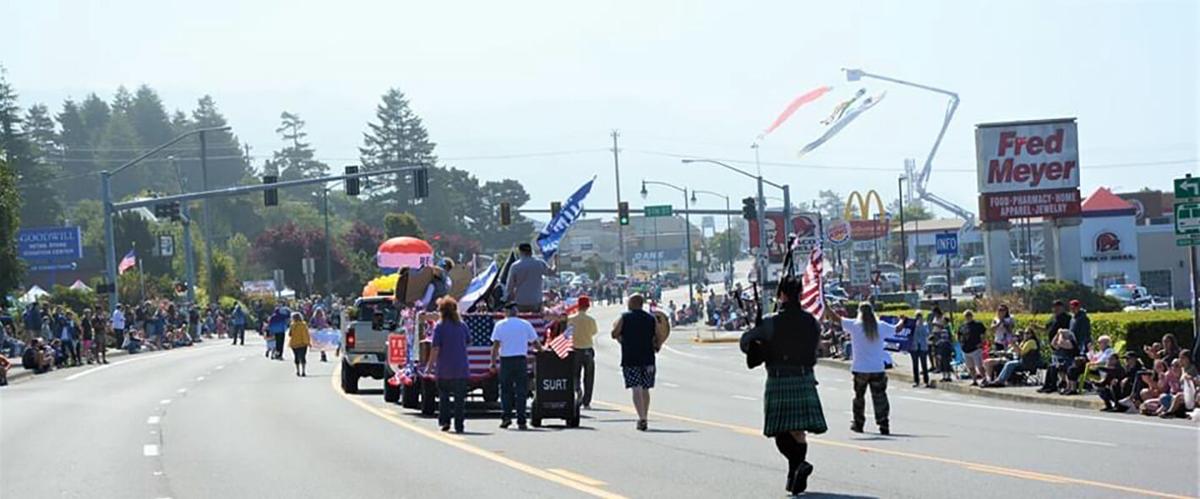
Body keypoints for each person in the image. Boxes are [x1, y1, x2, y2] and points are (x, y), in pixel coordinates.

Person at [740, 276, 826, 496]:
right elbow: (816, 346)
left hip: (779, 378)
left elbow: (745, 342)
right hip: (804, 376)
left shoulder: (770, 322)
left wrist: (759, 341)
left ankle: (798, 466)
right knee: (798, 432)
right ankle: (794, 476)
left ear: (783, 295)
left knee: (780, 431)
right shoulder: (811, 321)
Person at [612, 293, 660, 431]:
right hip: (648, 358)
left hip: (630, 357)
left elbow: (614, 333)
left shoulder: (625, 317)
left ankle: (642, 417)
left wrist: (621, 335)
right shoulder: (651, 318)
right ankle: (645, 415)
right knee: (645, 388)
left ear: (633, 303)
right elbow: (659, 335)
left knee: (636, 388)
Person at [490, 304, 542, 430]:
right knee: (521, 391)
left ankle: (506, 417)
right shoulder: (525, 324)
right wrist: (542, 351)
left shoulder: (500, 325)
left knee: (506, 390)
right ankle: (521, 419)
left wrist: (492, 362)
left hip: (506, 360)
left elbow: (495, 345)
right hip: (520, 360)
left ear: (506, 312)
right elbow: (535, 342)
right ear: (516, 312)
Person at [429, 296, 470, 434]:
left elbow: (435, 348)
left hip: (444, 368)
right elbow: (468, 341)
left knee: (444, 396)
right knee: (459, 399)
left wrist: (430, 366)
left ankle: (445, 421)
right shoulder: (462, 325)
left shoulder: (439, 327)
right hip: (461, 367)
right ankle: (459, 424)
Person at [504, 243, 554, 313]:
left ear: (521, 252)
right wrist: (555, 262)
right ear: (531, 251)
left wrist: (507, 298)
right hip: (536, 300)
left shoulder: (515, 266)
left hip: (521, 301)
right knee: (536, 320)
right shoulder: (539, 263)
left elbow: (510, 286)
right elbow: (551, 273)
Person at [568, 295, 599, 409]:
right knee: (589, 376)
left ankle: (577, 391)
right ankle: (587, 401)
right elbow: (594, 332)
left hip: (575, 349)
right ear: (587, 307)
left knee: (575, 374)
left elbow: (568, 333)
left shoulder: (571, 319)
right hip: (587, 349)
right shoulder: (591, 320)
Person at [957, 310, 986, 386]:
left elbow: (983, 335)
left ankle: (984, 379)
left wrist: (981, 343)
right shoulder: (962, 326)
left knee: (979, 365)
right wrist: (961, 344)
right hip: (966, 349)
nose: (968, 317)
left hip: (976, 348)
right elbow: (959, 336)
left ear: (972, 316)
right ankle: (974, 380)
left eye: (969, 315)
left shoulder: (978, 325)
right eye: (966, 316)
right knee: (970, 367)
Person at [907, 311, 931, 388]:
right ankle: (916, 381)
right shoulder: (913, 326)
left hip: (923, 347)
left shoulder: (925, 325)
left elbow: (926, 334)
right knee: (915, 365)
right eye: (917, 317)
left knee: (924, 364)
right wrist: (915, 326)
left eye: (920, 317)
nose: (918, 318)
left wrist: (920, 325)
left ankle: (926, 381)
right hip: (914, 347)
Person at [930, 308, 953, 382]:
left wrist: (937, 325)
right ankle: (939, 369)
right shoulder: (934, 318)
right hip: (936, 337)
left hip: (944, 343)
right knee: (937, 355)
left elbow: (948, 335)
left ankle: (948, 375)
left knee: (946, 360)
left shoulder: (946, 327)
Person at [287, 312, 310, 376]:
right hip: (303, 343)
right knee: (303, 357)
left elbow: (290, 334)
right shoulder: (304, 324)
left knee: (296, 357)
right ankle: (303, 371)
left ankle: (298, 371)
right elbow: (307, 333)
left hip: (294, 343)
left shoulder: (292, 325)